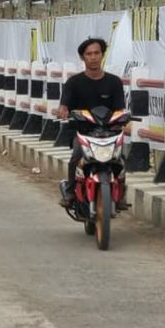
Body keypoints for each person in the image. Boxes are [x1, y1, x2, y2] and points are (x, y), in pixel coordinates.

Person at [56, 37, 128, 209]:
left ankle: (121, 195)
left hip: (109, 132)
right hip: (83, 131)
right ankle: (71, 192)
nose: (93, 57)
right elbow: (64, 104)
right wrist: (63, 111)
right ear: (83, 58)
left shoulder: (114, 82)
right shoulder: (73, 83)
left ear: (102, 55)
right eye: (89, 54)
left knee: (121, 160)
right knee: (76, 158)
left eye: (97, 53)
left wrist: (124, 119)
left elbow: (120, 109)